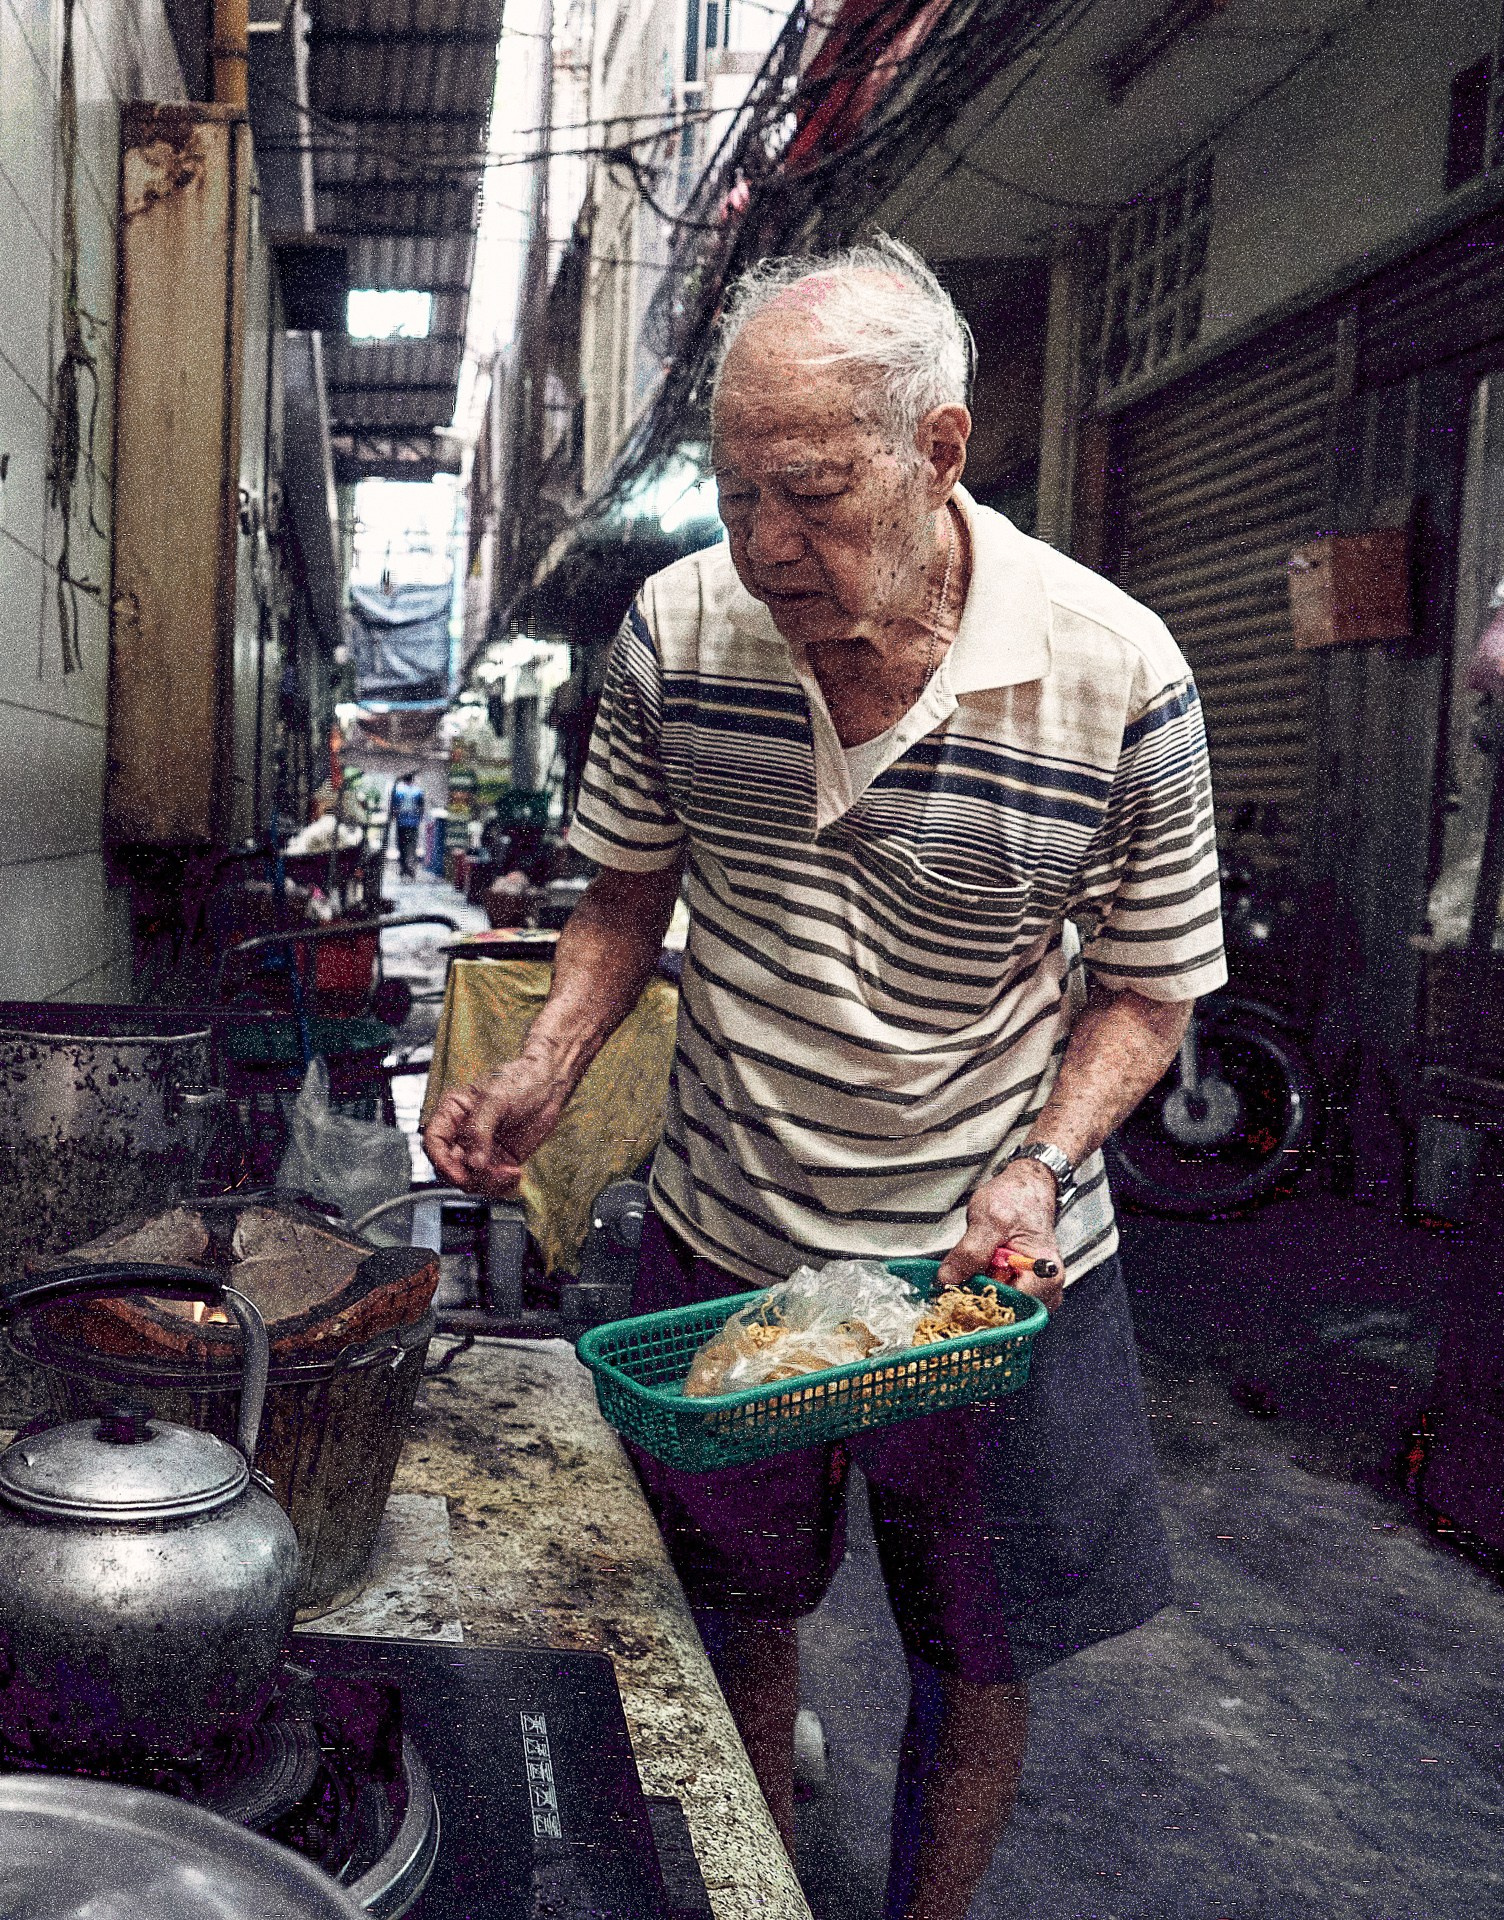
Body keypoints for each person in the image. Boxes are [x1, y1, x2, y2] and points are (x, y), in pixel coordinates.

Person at [427, 235, 1224, 1920]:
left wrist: (1044, 1163)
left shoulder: (1119, 672)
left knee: (977, 1652)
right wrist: (545, 1065)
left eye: (810, 493)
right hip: (731, 1232)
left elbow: (1149, 993)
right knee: (734, 1615)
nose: (766, 543)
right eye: (737, 493)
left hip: (989, 1276)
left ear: (939, 449)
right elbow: (625, 901)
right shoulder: (678, 629)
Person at [389, 771, 428, 878]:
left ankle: (403, 868)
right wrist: (419, 818)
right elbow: (421, 807)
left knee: (401, 845)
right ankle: (411, 867)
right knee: (412, 845)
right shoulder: (418, 791)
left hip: (401, 822)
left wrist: (394, 817)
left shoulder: (398, 790)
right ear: (412, 780)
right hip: (414, 823)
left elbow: (394, 807)